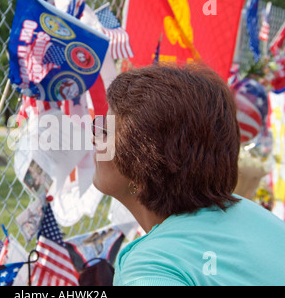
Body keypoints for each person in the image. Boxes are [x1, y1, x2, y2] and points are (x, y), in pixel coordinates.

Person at [91, 63, 285, 286]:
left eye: (105, 131)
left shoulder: (152, 266)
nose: (94, 140)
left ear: (140, 168)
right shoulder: (250, 214)